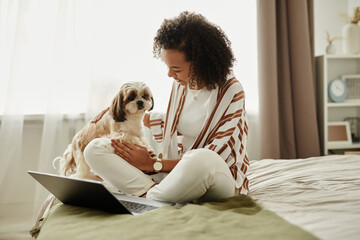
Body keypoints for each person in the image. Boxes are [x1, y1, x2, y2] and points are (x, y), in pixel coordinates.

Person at [85, 11, 249, 203]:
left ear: (201, 64)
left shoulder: (232, 91)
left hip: (217, 175)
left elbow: (218, 155)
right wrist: (116, 113)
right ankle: (153, 194)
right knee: (95, 149)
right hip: (176, 171)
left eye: (176, 69)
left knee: (202, 158)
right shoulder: (182, 83)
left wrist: (153, 164)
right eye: (168, 66)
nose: (170, 74)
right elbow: (177, 121)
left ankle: (149, 198)